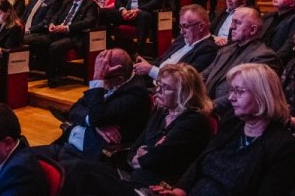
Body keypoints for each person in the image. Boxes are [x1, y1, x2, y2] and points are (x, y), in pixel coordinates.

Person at [60, 63, 216, 195]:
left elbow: (155, 158)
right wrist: (143, 155)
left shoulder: (194, 121)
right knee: (75, 170)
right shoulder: (162, 113)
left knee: (81, 172)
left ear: (185, 94)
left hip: (153, 188)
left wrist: (145, 156)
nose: (158, 91)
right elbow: (135, 150)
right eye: (159, 85)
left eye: (166, 88)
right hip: (132, 177)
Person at [156, 63, 295, 196]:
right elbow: (201, 162)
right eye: (231, 91)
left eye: (239, 91)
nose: (231, 98)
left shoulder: (287, 150)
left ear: (262, 96)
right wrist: (179, 191)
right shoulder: (232, 123)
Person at [36, 48, 150, 162]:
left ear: (119, 80)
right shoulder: (112, 80)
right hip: (71, 141)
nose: (97, 78)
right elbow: (75, 108)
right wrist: (92, 122)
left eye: (100, 77)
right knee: (27, 158)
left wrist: (98, 81)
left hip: (89, 155)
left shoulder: (135, 93)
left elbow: (97, 117)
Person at [200, 6, 281, 116]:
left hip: (232, 115)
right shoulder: (226, 50)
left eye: (237, 23)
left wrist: (207, 107)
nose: (231, 27)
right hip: (207, 107)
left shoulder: (264, 56)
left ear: (253, 30)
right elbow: (203, 76)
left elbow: (247, 95)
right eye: (232, 22)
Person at [134, 4, 218, 78]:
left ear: (201, 27)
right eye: (180, 27)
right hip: (153, 79)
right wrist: (144, 64)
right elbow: (161, 61)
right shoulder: (182, 38)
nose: (182, 32)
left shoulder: (208, 49)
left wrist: (150, 70)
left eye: (185, 26)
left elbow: (186, 78)